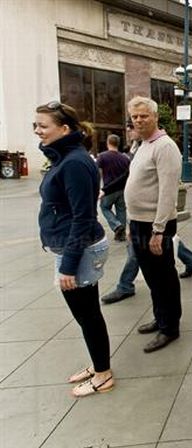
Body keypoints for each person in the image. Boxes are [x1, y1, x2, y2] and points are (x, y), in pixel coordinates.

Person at [35, 101, 114, 397]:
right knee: (86, 314)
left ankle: (103, 374)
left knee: (89, 315)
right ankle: (98, 365)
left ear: (64, 129)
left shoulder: (74, 163)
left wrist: (68, 265)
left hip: (78, 251)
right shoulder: (65, 158)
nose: (38, 131)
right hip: (72, 247)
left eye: (43, 126)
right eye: (36, 125)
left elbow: (83, 217)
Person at [124, 96, 183, 353]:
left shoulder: (165, 146)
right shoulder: (142, 145)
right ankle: (161, 318)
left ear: (155, 117)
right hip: (139, 223)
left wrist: (158, 230)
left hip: (155, 226)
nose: (138, 120)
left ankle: (170, 328)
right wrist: (129, 221)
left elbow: (168, 192)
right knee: (151, 278)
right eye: (134, 117)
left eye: (143, 116)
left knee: (164, 278)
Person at [101, 239, 192, 304]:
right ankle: (190, 260)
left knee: (136, 250)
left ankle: (125, 286)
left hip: (147, 217)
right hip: (145, 217)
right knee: (167, 239)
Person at [96, 134, 130, 241]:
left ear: (108, 143)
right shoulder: (125, 158)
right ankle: (121, 234)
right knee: (121, 210)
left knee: (104, 207)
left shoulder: (102, 156)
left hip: (108, 189)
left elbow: (97, 172)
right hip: (122, 189)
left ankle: (116, 225)